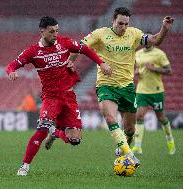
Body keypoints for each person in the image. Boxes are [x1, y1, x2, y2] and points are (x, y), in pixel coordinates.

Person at [6, 16, 111, 176]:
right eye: (52, 31)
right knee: (41, 130)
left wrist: (101, 63)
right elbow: (12, 65)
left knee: (75, 139)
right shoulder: (33, 51)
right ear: (42, 32)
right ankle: (24, 167)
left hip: (69, 96)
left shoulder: (64, 42)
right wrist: (11, 72)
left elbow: (85, 49)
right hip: (51, 98)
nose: (55, 34)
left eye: (57, 31)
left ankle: (55, 132)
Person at [69, 7, 174, 164]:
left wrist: (164, 29)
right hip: (106, 85)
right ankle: (130, 155)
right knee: (110, 118)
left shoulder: (134, 34)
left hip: (127, 87)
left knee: (130, 130)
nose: (123, 27)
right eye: (120, 23)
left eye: (126, 24)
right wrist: (70, 62)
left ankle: (125, 146)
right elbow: (79, 46)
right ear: (113, 20)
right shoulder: (100, 34)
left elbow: (155, 40)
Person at [132, 42, 175, 155]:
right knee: (139, 116)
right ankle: (137, 146)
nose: (146, 42)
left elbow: (169, 71)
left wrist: (154, 68)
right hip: (141, 91)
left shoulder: (159, 54)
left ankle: (170, 140)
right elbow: (138, 69)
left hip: (156, 91)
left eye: (149, 39)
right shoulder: (138, 53)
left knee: (161, 118)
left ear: (153, 41)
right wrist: (136, 72)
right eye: (144, 40)